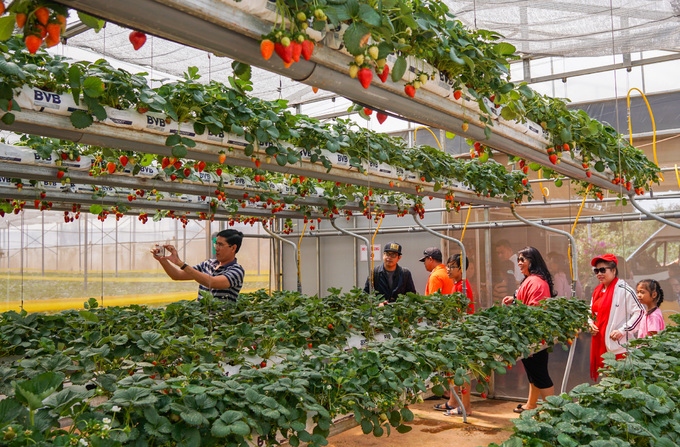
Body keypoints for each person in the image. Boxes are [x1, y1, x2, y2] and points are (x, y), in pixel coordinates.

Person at [502, 246, 556, 414]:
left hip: (533, 336)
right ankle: (531, 405)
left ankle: (551, 412)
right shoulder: (531, 279)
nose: (519, 263)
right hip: (528, 335)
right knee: (533, 373)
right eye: (518, 259)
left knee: (540, 374)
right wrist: (515, 299)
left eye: (522, 260)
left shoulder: (535, 282)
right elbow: (527, 302)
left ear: (532, 261)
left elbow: (535, 311)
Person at [589, 253, 644, 381]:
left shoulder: (624, 289)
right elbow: (591, 311)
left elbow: (640, 312)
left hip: (618, 347)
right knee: (606, 380)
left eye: (603, 270)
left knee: (620, 382)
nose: (599, 273)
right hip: (600, 341)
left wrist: (622, 330)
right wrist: (590, 323)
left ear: (613, 270)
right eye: (596, 270)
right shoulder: (597, 290)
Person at [433, 254, 474, 416]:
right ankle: (453, 402)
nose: (448, 270)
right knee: (454, 370)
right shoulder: (457, 284)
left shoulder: (462, 286)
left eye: (452, 267)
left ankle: (466, 408)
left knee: (462, 371)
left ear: (461, 269)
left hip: (461, 333)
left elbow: (462, 313)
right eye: (447, 266)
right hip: (455, 331)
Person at [152, 229, 245, 302]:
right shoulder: (207, 264)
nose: (216, 248)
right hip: (202, 320)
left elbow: (212, 283)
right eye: (216, 244)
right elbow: (177, 275)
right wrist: (162, 260)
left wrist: (180, 263)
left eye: (220, 245)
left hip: (222, 323)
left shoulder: (237, 271)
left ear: (233, 248)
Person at [364, 242, 416, 306]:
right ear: (383, 255)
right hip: (380, 312)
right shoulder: (375, 272)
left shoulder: (405, 273)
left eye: (393, 255)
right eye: (387, 254)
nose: (389, 257)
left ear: (399, 258)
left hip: (399, 312)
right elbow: (366, 294)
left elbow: (411, 295)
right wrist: (377, 303)